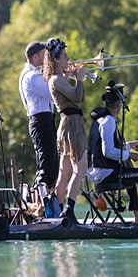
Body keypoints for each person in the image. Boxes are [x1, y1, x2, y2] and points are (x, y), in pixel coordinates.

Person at [87, 82, 138, 223]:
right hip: (106, 174)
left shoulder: (100, 119)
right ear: (119, 105)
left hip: (100, 172)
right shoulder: (108, 121)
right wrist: (129, 154)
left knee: (128, 171)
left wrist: (129, 146)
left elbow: (107, 147)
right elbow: (107, 151)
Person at [42, 37, 87, 223]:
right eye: (65, 56)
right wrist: (80, 80)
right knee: (81, 168)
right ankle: (68, 210)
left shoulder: (59, 78)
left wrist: (70, 76)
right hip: (72, 124)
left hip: (67, 123)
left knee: (65, 171)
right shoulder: (56, 79)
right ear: (56, 59)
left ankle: (58, 213)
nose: (68, 59)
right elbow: (77, 98)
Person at [18, 40, 59, 190]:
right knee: (47, 167)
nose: (48, 58)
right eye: (45, 55)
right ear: (35, 57)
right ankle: (37, 199)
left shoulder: (33, 74)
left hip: (44, 120)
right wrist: (59, 74)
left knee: (51, 165)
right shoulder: (32, 76)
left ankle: (40, 198)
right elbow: (52, 93)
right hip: (41, 120)